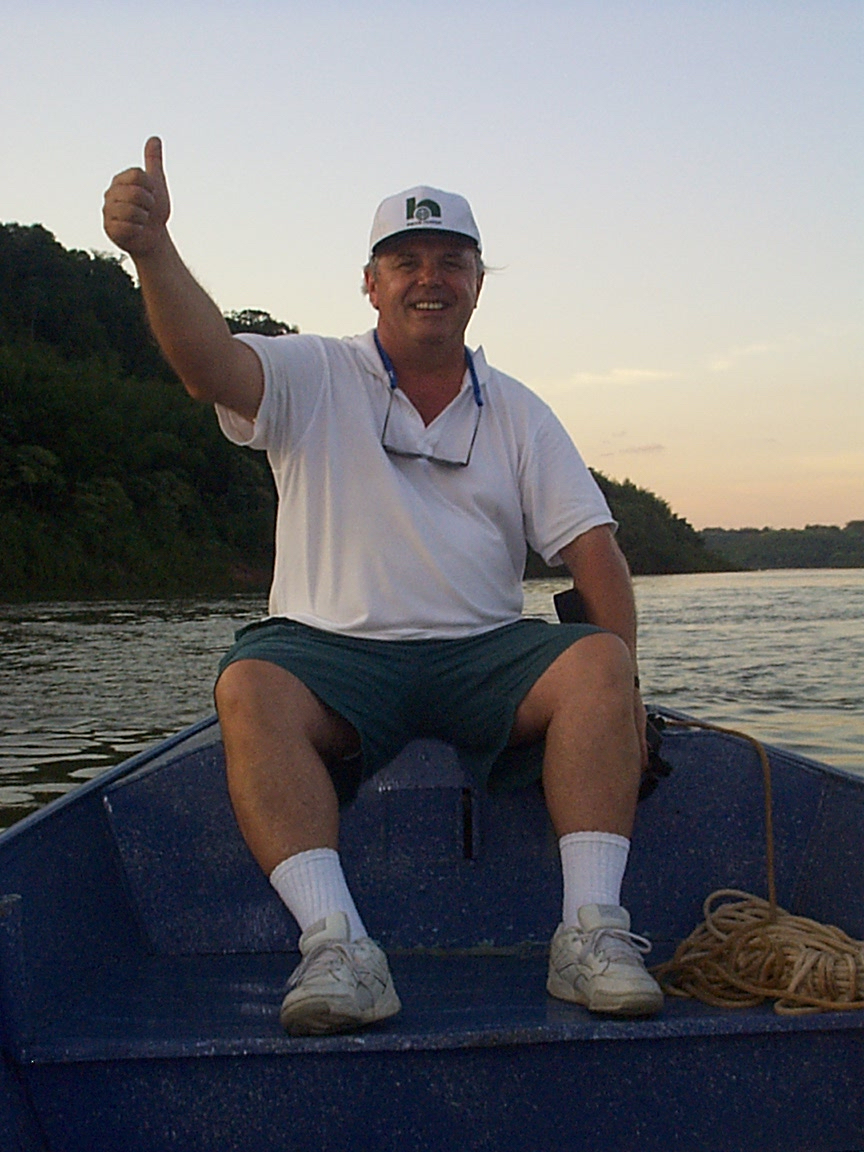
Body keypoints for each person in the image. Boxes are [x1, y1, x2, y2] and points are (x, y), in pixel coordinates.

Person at [103, 137, 663, 1036]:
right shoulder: (312, 373)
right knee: (249, 684)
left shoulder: (520, 411)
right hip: (331, 653)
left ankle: (591, 934)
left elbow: (593, 553)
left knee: (599, 662)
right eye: (406, 262)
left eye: (451, 261)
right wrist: (153, 250)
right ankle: (339, 948)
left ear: (477, 283)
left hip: (485, 653)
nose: (429, 279)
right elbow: (208, 365)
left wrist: (626, 686)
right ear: (371, 284)